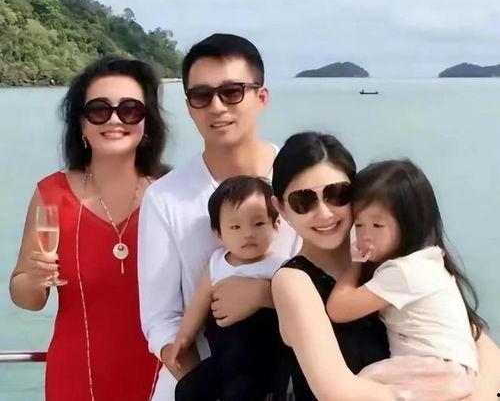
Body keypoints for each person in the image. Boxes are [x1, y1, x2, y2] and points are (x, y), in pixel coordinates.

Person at [271, 132, 500, 400]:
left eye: (337, 194)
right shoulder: (294, 281)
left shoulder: (393, 259)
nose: (325, 212)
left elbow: (479, 346)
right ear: (281, 208)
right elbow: (336, 392)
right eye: (303, 201)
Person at [138, 33, 300, 401]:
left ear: (261, 97)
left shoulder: (303, 181)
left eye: (231, 92)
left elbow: (337, 283)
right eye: (201, 95)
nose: (216, 106)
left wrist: (266, 295)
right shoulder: (165, 197)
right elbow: (161, 320)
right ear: (189, 107)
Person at [9, 56, 168, 400]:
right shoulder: (51, 194)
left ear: (147, 123)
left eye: (130, 110)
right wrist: (35, 279)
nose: (114, 120)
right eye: (99, 110)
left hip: (165, 376)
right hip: (77, 379)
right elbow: (26, 297)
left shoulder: (171, 194)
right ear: (80, 123)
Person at [327, 159, 483, 400]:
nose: (365, 235)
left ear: (409, 224)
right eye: (358, 224)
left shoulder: (403, 273)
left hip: (435, 370)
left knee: (358, 385)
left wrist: (354, 265)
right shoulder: (429, 262)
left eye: (377, 225)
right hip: (452, 372)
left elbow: (338, 309)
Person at [169, 175, 288, 400]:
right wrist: (183, 337)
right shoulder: (216, 264)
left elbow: (293, 304)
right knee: (186, 389)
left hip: (261, 359)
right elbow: (198, 303)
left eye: (258, 223)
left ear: (275, 226)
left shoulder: (281, 266)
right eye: (235, 226)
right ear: (219, 234)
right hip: (222, 357)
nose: (248, 233)